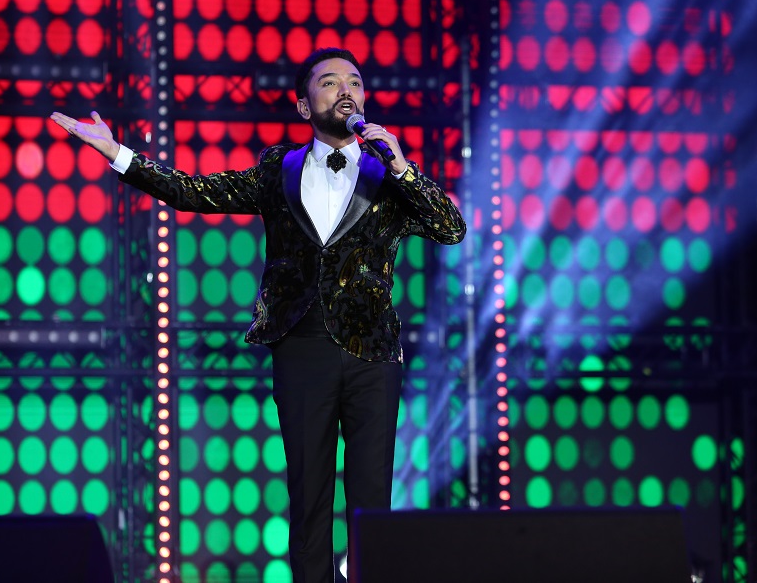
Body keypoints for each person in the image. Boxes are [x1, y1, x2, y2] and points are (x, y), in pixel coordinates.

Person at [51, 47, 466, 582]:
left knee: (371, 501)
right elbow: (193, 193)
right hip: (301, 346)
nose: (345, 90)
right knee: (309, 499)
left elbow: (451, 228)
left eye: (355, 82)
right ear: (304, 106)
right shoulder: (278, 170)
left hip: (372, 353)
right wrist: (119, 154)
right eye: (329, 82)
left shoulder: (388, 175)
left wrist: (403, 167)